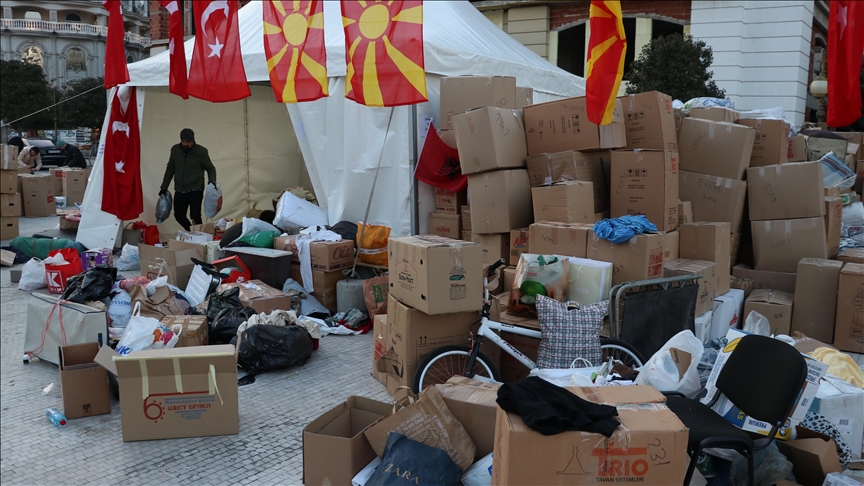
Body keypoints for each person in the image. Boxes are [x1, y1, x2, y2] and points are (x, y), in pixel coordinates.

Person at [160, 128, 217, 231]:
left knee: (195, 215)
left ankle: (200, 236)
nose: (185, 144)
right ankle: (192, 231)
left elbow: (210, 168)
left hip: (196, 188)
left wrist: (212, 183)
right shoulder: (175, 150)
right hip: (180, 188)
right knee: (178, 215)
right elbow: (170, 169)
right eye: (183, 141)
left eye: (188, 142)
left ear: (193, 140)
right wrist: (164, 187)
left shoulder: (201, 151)